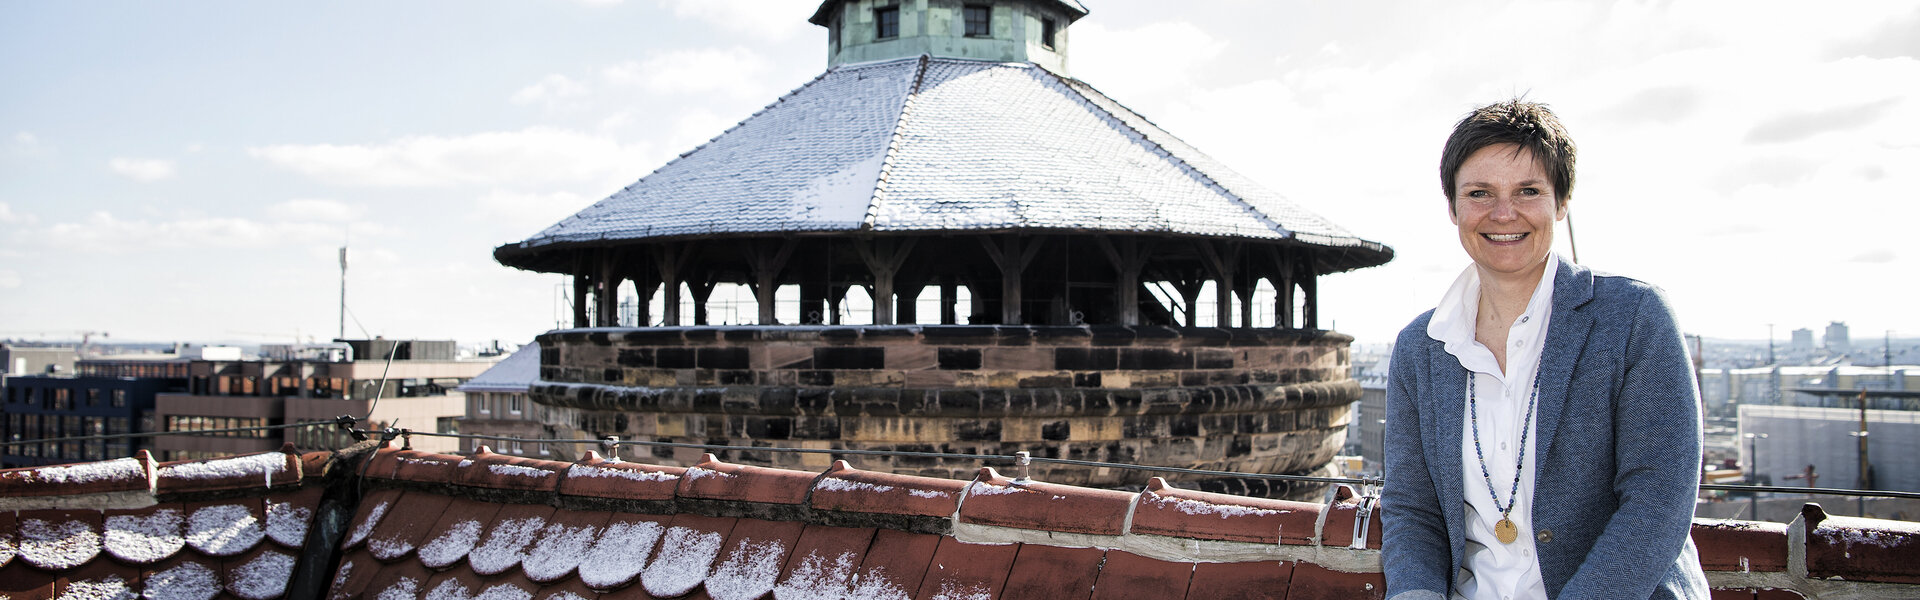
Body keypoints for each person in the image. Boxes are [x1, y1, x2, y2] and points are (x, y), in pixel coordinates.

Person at [1382, 99, 1709, 600]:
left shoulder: (1635, 318)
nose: (1503, 213)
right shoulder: (1419, 348)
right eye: (1479, 193)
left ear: (1561, 202)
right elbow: (1412, 509)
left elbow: (1657, 502)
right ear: (1453, 208)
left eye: (1528, 191)